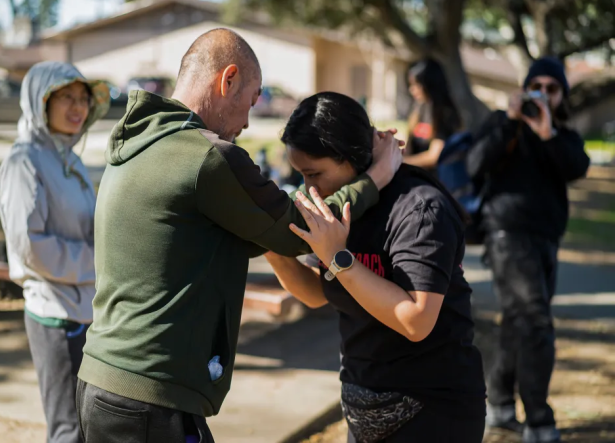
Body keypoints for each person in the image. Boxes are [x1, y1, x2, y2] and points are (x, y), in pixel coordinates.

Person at [76, 28, 402, 443]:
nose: (248, 122)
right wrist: (378, 175)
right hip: (151, 398)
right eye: (251, 100)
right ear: (227, 79)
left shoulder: (140, 142)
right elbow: (306, 232)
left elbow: (250, 233)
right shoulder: (207, 157)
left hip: (101, 382)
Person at [264, 92, 487, 443]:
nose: (309, 188)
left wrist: (339, 258)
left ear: (352, 157)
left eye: (315, 173)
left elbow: (416, 320)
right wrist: (273, 249)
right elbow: (315, 293)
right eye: (301, 175)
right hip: (364, 403)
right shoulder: (339, 206)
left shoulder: (419, 209)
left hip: (431, 409)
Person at [467, 57, 590, 443]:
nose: (543, 94)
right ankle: (539, 420)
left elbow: (577, 167)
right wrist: (509, 119)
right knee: (536, 322)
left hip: (546, 240)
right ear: (524, 88)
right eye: (536, 86)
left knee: (519, 321)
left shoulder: (562, 134)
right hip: (506, 234)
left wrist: (547, 132)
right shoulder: (503, 124)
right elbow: (475, 163)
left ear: (561, 95)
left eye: (552, 88)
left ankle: (501, 404)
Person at [0, 61, 110, 443]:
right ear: (39, 102)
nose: (78, 107)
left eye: (82, 99)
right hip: (55, 315)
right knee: (67, 429)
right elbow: (31, 247)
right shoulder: (23, 163)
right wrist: (99, 262)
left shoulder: (68, 159)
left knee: (89, 424)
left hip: (85, 309)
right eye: (66, 98)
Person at [403, 58, 462, 171]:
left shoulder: (445, 113)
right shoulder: (418, 107)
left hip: (432, 181)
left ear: (429, 84)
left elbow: (433, 157)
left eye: (416, 84)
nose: (412, 90)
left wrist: (402, 163)